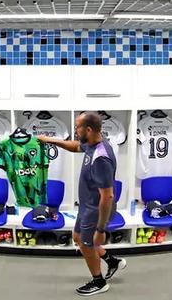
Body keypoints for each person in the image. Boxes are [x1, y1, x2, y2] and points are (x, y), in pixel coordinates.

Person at [37, 111, 127, 296]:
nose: (75, 131)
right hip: (87, 207)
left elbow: (107, 197)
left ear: (88, 129)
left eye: (77, 127)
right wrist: (50, 140)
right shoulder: (92, 144)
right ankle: (112, 261)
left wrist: (100, 230)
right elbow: (76, 146)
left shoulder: (101, 157)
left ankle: (99, 281)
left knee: (87, 244)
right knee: (78, 238)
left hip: (96, 210)